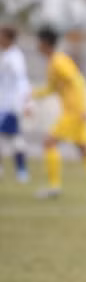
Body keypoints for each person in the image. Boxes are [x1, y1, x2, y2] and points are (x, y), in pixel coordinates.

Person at [29, 26, 86, 201]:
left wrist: (82, 109)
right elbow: (52, 88)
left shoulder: (59, 61)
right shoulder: (54, 62)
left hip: (74, 113)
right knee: (85, 149)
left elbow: (77, 82)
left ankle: (54, 187)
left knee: (49, 142)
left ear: (45, 43)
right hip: (75, 112)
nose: (37, 46)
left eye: (38, 42)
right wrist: (32, 94)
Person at [0, 26, 31, 183]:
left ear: (8, 38)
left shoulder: (15, 57)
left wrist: (26, 103)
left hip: (11, 105)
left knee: (15, 139)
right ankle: (21, 170)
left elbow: (21, 80)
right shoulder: (6, 55)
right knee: (15, 138)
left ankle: (21, 170)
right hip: (4, 104)